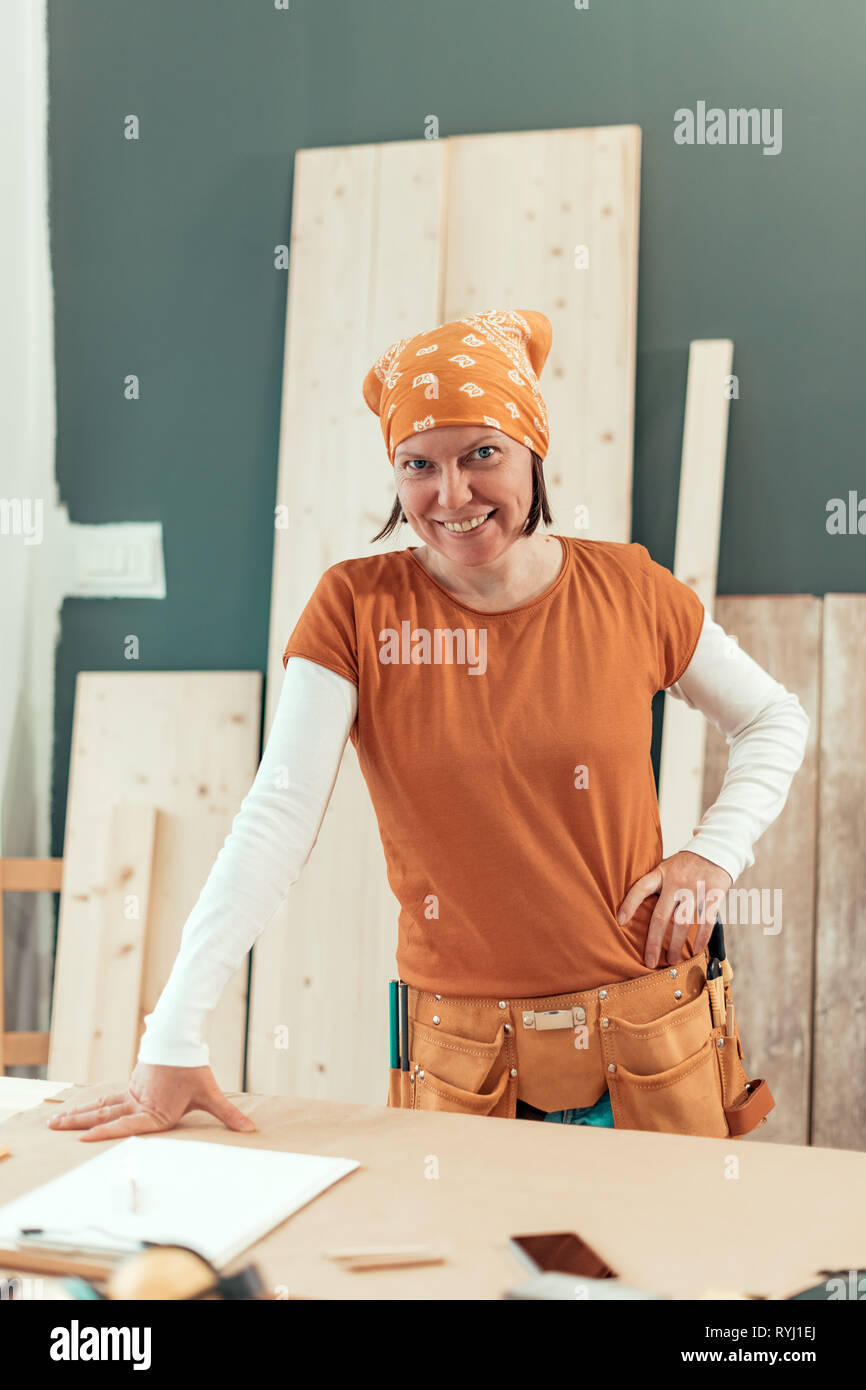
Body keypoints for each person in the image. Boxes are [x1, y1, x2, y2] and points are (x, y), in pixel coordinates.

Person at [49, 309, 809, 1142]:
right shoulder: (355, 609)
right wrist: (173, 1034)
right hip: (462, 1060)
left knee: (663, 1273)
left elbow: (774, 718)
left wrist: (714, 855)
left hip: (648, 1035)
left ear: (532, 451)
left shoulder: (628, 589)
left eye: (482, 453)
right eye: (420, 464)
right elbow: (275, 820)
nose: (453, 496)